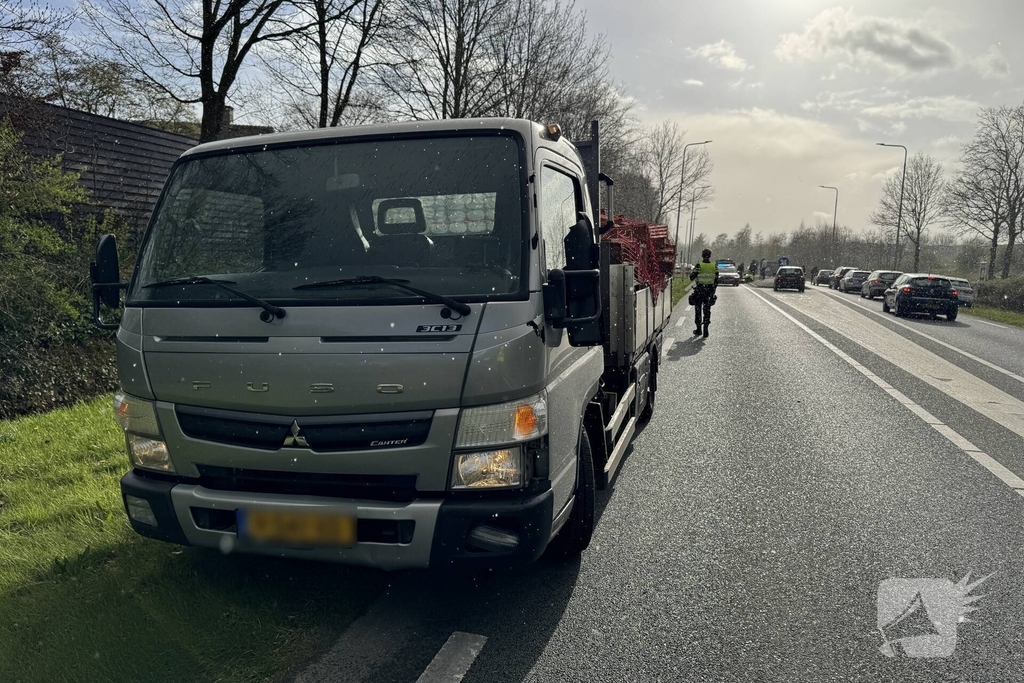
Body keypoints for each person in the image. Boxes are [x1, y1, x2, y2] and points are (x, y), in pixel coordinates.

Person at [688, 248, 719, 338]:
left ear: (702, 255)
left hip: (699, 290)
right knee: (707, 310)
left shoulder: (699, 265)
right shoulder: (714, 266)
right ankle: (706, 330)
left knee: (698, 310)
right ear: (710, 256)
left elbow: (691, 277)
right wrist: (713, 291)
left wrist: (694, 272)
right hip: (709, 291)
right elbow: (716, 280)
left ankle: (698, 329)